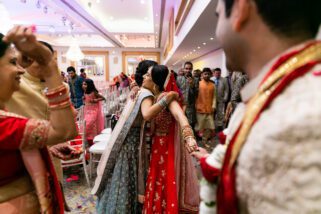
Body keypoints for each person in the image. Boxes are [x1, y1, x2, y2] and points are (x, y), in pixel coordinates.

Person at [193, 0, 321, 213]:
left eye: (218, 16)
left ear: (241, 9)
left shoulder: (299, 122)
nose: (217, 32)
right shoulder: (275, 92)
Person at [0, 26, 78, 213]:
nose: (20, 70)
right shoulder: (5, 124)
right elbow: (65, 130)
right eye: (13, 62)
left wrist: (46, 148)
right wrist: (50, 70)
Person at [92, 60, 177, 213]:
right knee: (126, 180)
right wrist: (166, 99)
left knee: (122, 180)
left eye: (148, 74)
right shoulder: (145, 94)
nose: (145, 76)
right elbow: (147, 114)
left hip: (129, 143)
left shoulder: (141, 91)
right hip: (131, 145)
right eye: (146, 73)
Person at [142, 65, 200, 213]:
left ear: (155, 81)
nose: (144, 77)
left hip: (166, 148)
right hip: (157, 147)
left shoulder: (166, 97)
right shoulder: (155, 97)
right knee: (158, 181)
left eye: (147, 75)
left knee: (165, 181)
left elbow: (180, 116)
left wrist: (188, 136)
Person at [195, 68, 216, 148]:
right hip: (200, 109)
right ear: (202, 75)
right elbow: (195, 96)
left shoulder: (213, 85)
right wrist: (195, 105)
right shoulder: (198, 84)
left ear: (210, 75)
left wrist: (214, 106)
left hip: (210, 109)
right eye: (205, 74)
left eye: (208, 74)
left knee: (210, 126)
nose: (206, 75)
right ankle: (197, 141)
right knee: (200, 127)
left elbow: (214, 97)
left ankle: (205, 141)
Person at [82, 79, 105, 143]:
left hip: (93, 110)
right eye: (83, 84)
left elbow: (103, 98)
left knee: (89, 124)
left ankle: (92, 138)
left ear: (89, 85)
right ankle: (90, 139)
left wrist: (95, 100)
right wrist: (84, 98)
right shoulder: (85, 92)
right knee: (87, 124)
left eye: (85, 84)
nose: (83, 86)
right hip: (87, 110)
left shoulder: (93, 92)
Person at [176, 61, 197, 129]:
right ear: (183, 69)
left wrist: (192, 86)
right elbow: (176, 92)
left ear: (192, 69)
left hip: (191, 106)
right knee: (180, 124)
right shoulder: (178, 79)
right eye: (186, 68)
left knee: (190, 124)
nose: (188, 70)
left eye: (189, 69)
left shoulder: (196, 80)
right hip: (181, 105)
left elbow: (197, 94)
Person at [210, 67, 229, 132]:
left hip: (221, 99)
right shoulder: (211, 79)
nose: (218, 74)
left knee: (220, 113)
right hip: (212, 100)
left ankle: (219, 125)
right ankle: (211, 126)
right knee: (212, 113)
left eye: (219, 73)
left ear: (220, 73)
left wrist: (225, 98)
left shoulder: (224, 80)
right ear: (214, 73)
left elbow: (226, 90)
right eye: (216, 73)